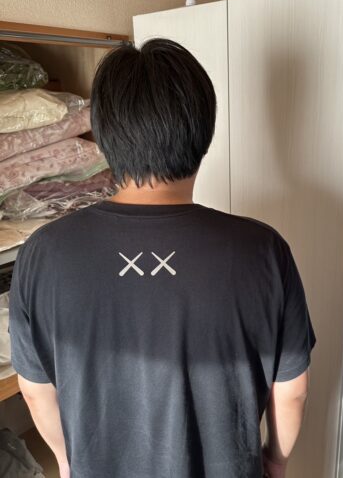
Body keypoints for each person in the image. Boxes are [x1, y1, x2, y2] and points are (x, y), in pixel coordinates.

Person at [9, 38, 316, 478]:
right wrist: (275, 460)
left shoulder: (42, 253)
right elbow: (292, 390)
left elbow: (37, 391)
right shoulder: (264, 250)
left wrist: (66, 460)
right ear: (202, 132)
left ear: (106, 136)